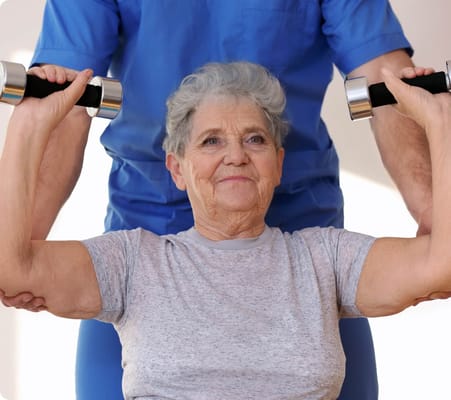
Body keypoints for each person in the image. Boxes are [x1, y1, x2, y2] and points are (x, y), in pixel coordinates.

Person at [1, 1, 433, 399]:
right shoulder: (129, 265)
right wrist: (24, 250)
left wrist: (433, 216)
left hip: (300, 237)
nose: (233, 156)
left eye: (250, 140)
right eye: (212, 142)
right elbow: (62, 96)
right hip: (149, 229)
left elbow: (388, 84)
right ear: (177, 165)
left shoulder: (327, 263)